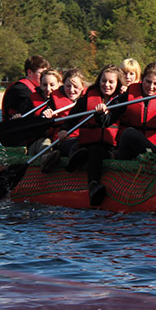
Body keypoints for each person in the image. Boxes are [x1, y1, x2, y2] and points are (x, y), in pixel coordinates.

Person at [63, 64, 126, 206]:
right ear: (99, 81)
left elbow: (107, 122)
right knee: (88, 148)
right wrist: (64, 129)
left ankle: (93, 183)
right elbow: (71, 119)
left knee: (95, 150)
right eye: (104, 81)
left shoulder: (122, 100)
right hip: (87, 142)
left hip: (110, 147)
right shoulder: (87, 98)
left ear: (118, 83)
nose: (107, 85)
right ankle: (78, 159)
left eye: (111, 82)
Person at [111, 63, 156, 161]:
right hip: (129, 148)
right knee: (128, 133)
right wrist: (102, 112)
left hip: (154, 147)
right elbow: (107, 119)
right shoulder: (127, 96)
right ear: (142, 79)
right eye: (148, 82)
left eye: (155, 84)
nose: (151, 87)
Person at [39, 68, 87, 172]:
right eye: (68, 86)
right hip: (64, 141)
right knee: (76, 144)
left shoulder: (89, 99)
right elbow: (45, 123)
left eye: (76, 87)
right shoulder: (54, 101)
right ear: (63, 85)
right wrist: (47, 116)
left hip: (84, 139)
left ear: (83, 87)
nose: (71, 90)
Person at [1, 55, 50, 120]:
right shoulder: (19, 89)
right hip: (15, 126)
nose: (44, 77)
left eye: (46, 74)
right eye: (41, 74)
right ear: (29, 72)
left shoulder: (38, 89)